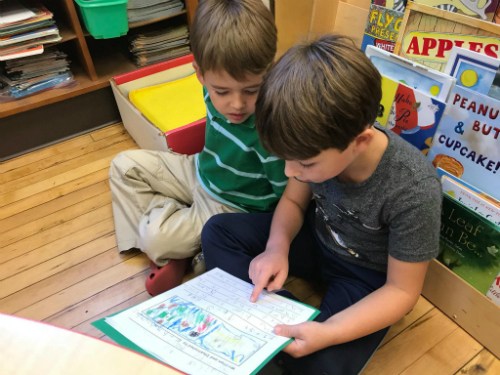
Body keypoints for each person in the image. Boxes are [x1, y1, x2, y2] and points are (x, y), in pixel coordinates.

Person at [201, 34, 442, 374]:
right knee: (217, 232)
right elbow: (293, 202)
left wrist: (328, 332)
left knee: (322, 365)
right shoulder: (311, 145)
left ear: (359, 141)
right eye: (284, 159)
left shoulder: (413, 189)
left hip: (365, 278)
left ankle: (282, 329)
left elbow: (401, 292)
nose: (289, 171)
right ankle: (281, 324)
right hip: (316, 242)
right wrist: (276, 248)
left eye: (305, 165)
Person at [109, 0, 287, 296]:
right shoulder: (210, 83)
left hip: (230, 206)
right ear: (200, 74)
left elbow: (286, 201)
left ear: (269, 73)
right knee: (123, 164)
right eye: (222, 91)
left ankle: (172, 245)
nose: (237, 104)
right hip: (197, 168)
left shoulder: (271, 129)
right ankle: (183, 245)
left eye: (252, 90)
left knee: (156, 238)